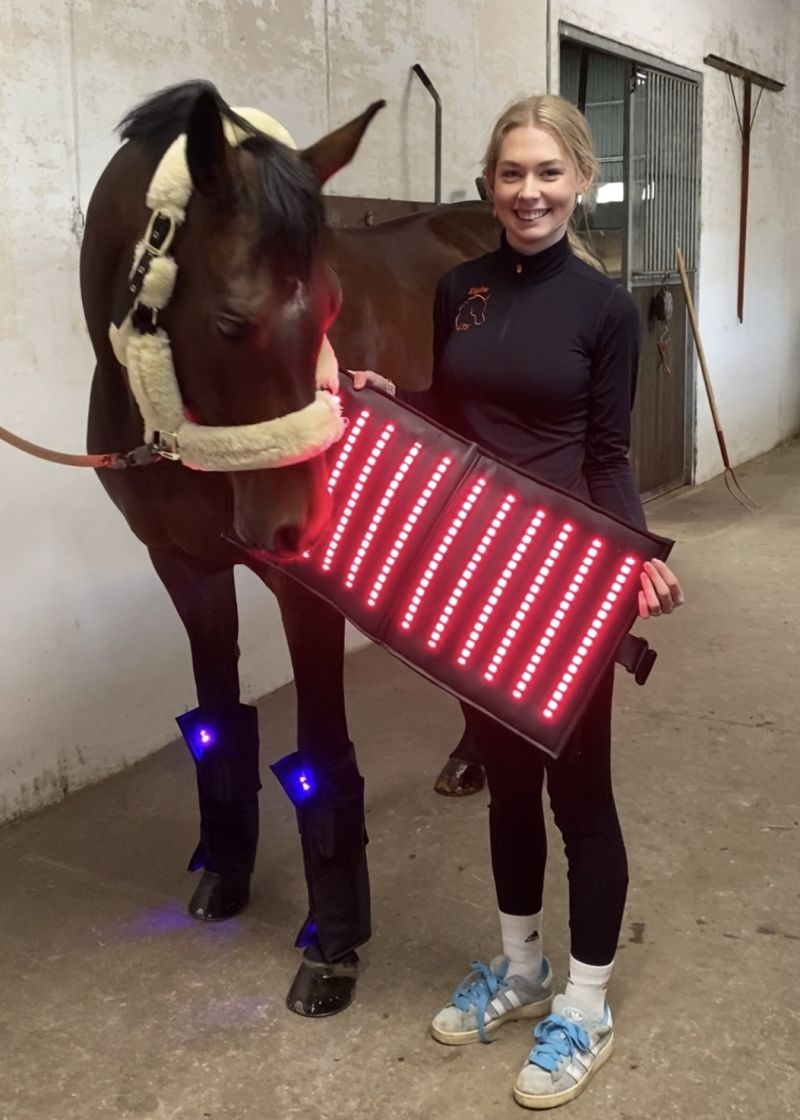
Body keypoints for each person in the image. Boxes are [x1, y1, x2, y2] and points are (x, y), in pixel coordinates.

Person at [353, 94, 684, 1110]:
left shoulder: (603, 309)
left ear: (579, 181)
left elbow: (607, 453)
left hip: (564, 576)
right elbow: (457, 417)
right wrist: (392, 400)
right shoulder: (460, 288)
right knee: (504, 785)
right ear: (487, 185)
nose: (528, 191)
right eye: (511, 173)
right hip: (478, 568)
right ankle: (522, 966)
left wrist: (632, 557)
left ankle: (583, 1005)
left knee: (579, 796)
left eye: (547, 172)